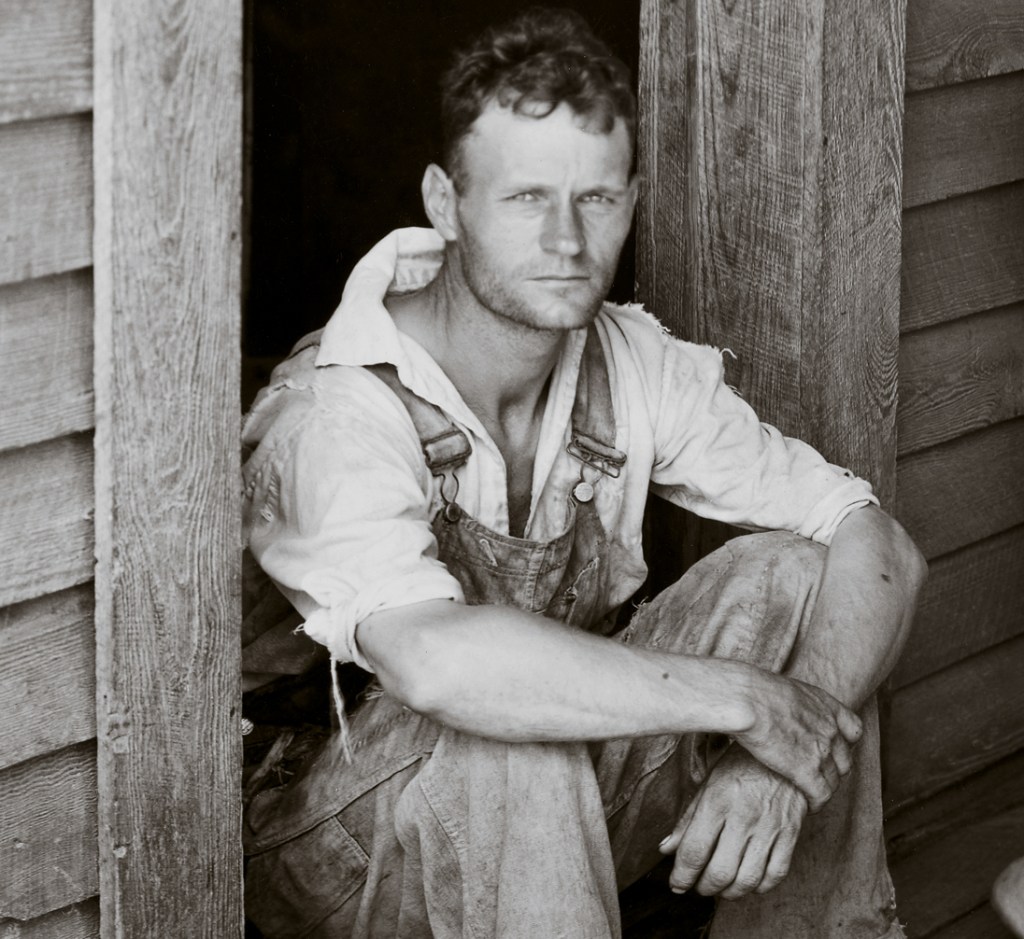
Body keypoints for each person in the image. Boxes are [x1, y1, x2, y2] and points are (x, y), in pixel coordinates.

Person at [240, 8, 927, 938]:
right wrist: (748, 700)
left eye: (595, 199)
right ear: (445, 201)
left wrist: (779, 758)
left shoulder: (629, 363)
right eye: (526, 197)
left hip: (548, 813)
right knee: (506, 722)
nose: (566, 240)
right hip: (328, 842)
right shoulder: (335, 409)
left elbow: (878, 543)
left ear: (632, 201)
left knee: (802, 576)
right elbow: (434, 661)